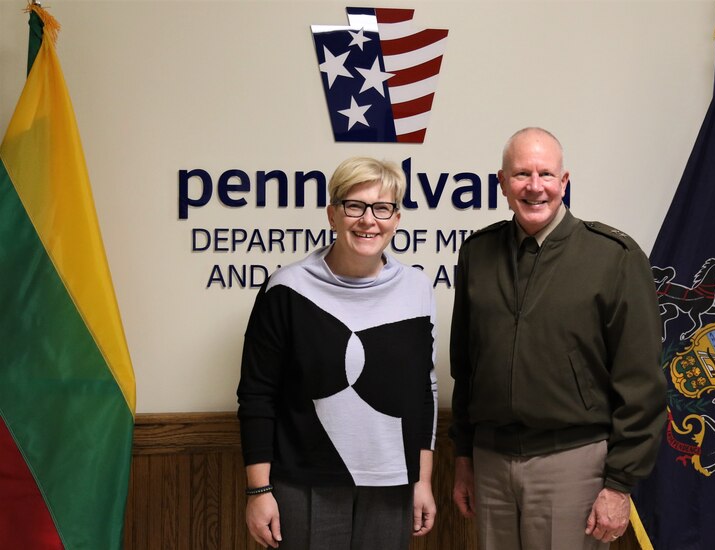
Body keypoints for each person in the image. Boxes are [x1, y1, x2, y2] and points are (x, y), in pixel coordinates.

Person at [449, 128, 666, 549]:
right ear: (502, 183)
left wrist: (620, 484)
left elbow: (641, 383)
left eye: (546, 174)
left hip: (572, 463)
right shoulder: (477, 254)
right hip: (490, 464)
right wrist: (463, 458)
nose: (534, 187)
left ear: (564, 182)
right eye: (521, 175)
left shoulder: (613, 258)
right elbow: (466, 367)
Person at [237, 157, 437, 549]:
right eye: (354, 206)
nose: (368, 220)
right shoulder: (287, 289)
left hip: (392, 485)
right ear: (332, 214)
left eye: (382, 208)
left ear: (396, 218)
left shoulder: (416, 288)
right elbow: (257, 394)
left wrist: (423, 481)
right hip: (305, 484)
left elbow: (423, 391)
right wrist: (258, 492)